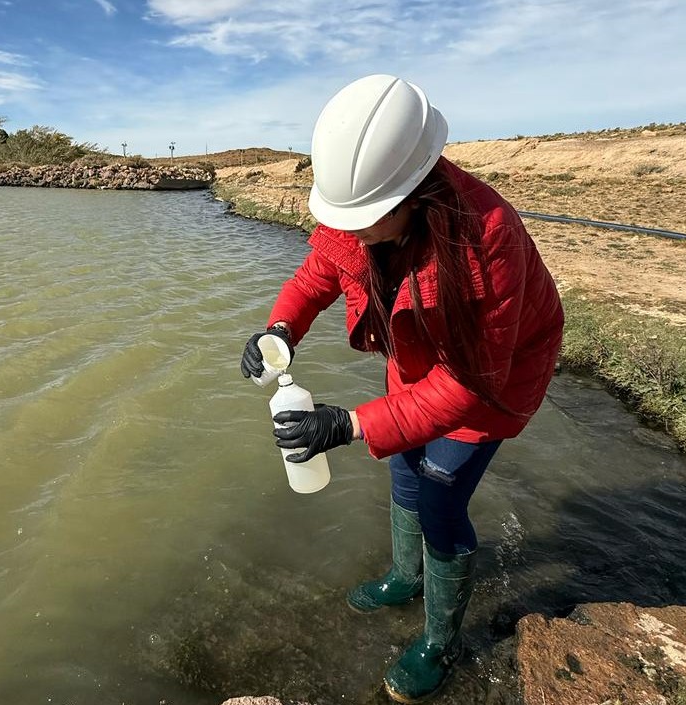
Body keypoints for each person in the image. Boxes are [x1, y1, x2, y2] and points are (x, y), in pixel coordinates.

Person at [240, 74, 564, 703]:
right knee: (406, 470)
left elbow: (468, 386)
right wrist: (279, 329)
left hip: (491, 381)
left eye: (363, 220)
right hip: (419, 363)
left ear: (414, 193)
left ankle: (441, 641)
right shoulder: (360, 212)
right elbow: (315, 278)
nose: (352, 231)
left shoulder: (487, 237)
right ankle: (405, 576)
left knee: (441, 496)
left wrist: (350, 424)